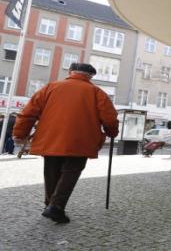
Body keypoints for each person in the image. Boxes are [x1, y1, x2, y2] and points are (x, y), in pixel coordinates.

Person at [12, 63, 119, 224]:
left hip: (50, 138)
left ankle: (50, 204)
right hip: (81, 141)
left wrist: (20, 133)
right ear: (90, 76)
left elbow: (28, 112)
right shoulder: (96, 92)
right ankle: (56, 207)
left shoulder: (50, 87)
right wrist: (112, 132)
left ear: (70, 72)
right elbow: (110, 118)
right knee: (70, 173)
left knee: (51, 171)